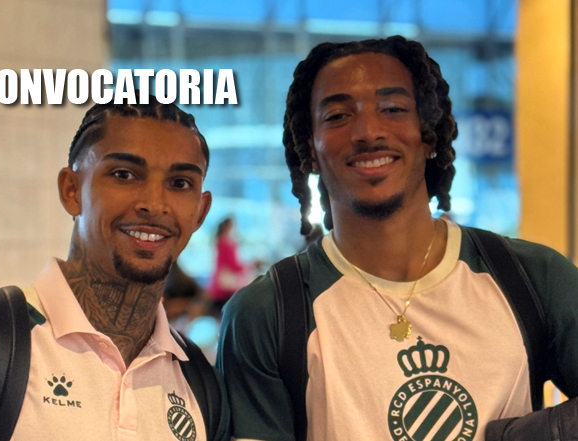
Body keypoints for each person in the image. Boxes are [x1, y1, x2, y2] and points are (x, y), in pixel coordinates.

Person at [217, 36, 578, 441]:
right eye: (337, 116)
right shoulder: (267, 314)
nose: (368, 131)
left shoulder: (533, 278)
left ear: (429, 136)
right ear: (311, 150)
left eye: (392, 109)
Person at [0, 94, 230, 440]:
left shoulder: (201, 384)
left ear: (200, 211)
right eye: (124, 175)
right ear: (71, 190)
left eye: (180, 183)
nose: (154, 204)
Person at [208, 217, 251, 314]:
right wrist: (249, 266)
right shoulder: (227, 243)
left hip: (217, 285)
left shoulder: (219, 241)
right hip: (225, 288)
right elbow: (234, 264)